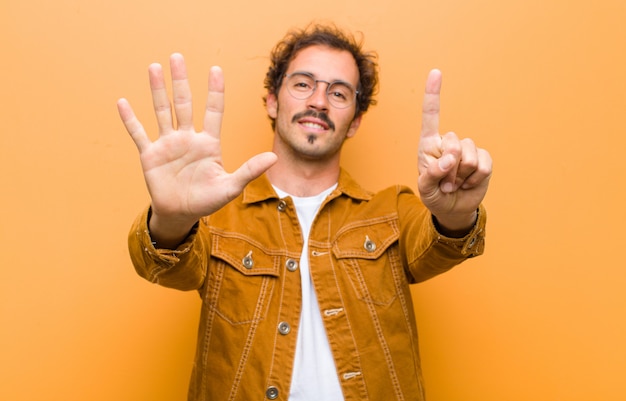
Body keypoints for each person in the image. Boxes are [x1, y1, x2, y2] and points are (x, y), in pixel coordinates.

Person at [118, 24, 492, 401]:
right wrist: (172, 218)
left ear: (355, 121)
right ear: (272, 100)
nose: (319, 101)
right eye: (302, 84)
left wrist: (456, 215)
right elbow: (164, 267)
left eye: (339, 92)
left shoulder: (392, 210)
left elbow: (439, 244)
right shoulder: (217, 216)